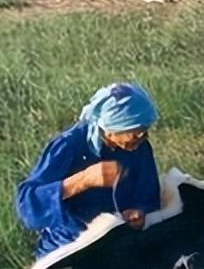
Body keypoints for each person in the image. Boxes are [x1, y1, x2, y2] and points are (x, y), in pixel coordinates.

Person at [16, 83, 162, 257]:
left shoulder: (138, 147)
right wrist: (83, 180)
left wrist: (138, 211)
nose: (142, 137)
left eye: (145, 130)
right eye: (135, 130)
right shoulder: (69, 145)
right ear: (110, 126)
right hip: (70, 245)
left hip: (120, 239)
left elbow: (147, 192)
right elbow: (27, 204)